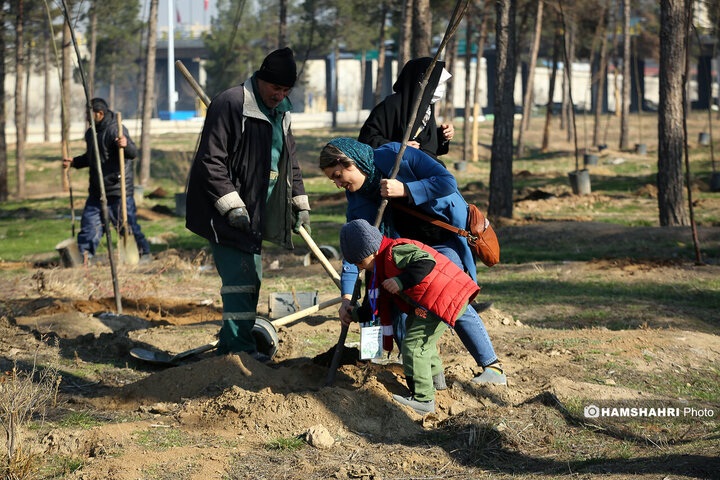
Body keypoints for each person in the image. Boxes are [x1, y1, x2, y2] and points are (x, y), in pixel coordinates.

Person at [319, 138, 506, 385]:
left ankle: (492, 368)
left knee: (446, 294)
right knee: (395, 306)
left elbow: (448, 182)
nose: (338, 184)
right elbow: (355, 250)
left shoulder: (396, 156)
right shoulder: (357, 201)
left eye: (338, 175)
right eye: (333, 180)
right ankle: (427, 380)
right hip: (406, 250)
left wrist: (406, 190)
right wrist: (345, 299)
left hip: (443, 237)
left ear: (351, 162)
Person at [185, 47, 310, 360]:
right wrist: (231, 205)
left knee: (250, 279)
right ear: (260, 79)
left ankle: (234, 343)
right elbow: (210, 161)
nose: (279, 95)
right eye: (275, 88)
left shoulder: (283, 111)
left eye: (286, 90)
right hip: (224, 207)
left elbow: (289, 160)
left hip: (257, 206)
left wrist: (299, 200)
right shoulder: (231, 103)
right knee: (241, 279)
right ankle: (238, 350)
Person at [340, 219, 481, 414]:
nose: (360, 268)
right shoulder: (380, 266)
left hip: (442, 297)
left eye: (360, 262)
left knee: (414, 346)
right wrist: (354, 313)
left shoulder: (394, 251)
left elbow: (426, 262)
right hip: (433, 300)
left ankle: (424, 400)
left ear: (372, 251)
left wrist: (400, 281)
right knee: (420, 337)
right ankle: (436, 383)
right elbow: (377, 304)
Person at [63, 98, 150, 261]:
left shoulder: (116, 130)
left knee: (127, 227)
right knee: (90, 227)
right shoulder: (91, 134)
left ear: (100, 114)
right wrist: (74, 162)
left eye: (89, 115)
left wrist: (125, 145)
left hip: (118, 190)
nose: (87, 119)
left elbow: (132, 153)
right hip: (97, 191)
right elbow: (92, 158)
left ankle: (142, 254)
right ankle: (84, 259)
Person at [358, 57, 454, 161]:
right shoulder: (391, 104)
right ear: (422, 81)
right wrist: (399, 147)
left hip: (423, 167)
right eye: (439, 83)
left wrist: (442, 135)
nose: (442, 87)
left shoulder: (427, 106)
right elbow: (367, 139)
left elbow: (424, 142)